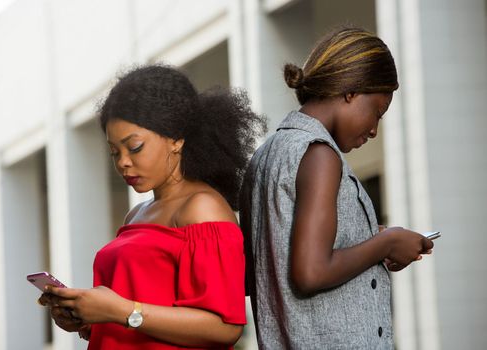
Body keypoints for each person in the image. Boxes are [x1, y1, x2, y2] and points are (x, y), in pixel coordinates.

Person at [38, 64, 267, 349]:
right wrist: (88, 319)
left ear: (176, 139)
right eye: (114, 152)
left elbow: (223, 326)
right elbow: (140, 312)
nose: (123, 161)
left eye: (134, 147)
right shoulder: (137, 214)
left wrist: (119, 311)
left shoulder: (202, 208)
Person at [239, 27, 435, 349]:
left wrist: (368, 239)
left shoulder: (267, 154)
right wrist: (385, 243)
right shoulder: (319, 154)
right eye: (377, 112)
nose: (374, 129)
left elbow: (274, 260)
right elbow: (310, 272)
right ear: (350, 91)